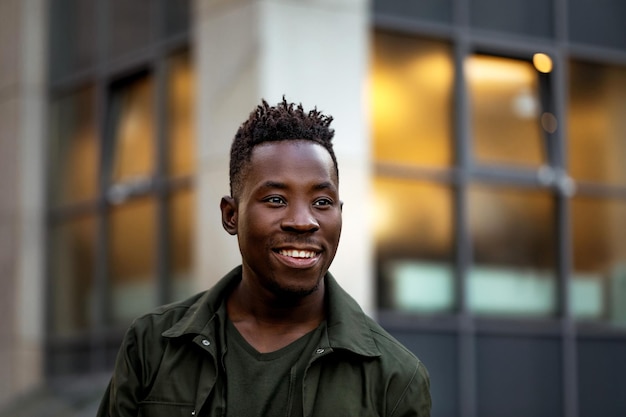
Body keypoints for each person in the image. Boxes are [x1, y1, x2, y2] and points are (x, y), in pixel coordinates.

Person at [97, 98, 431, 417]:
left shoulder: (395, 378)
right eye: (275, 199)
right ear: (231, 215)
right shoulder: (152, 345)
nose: (304, 221)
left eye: (322, 202)